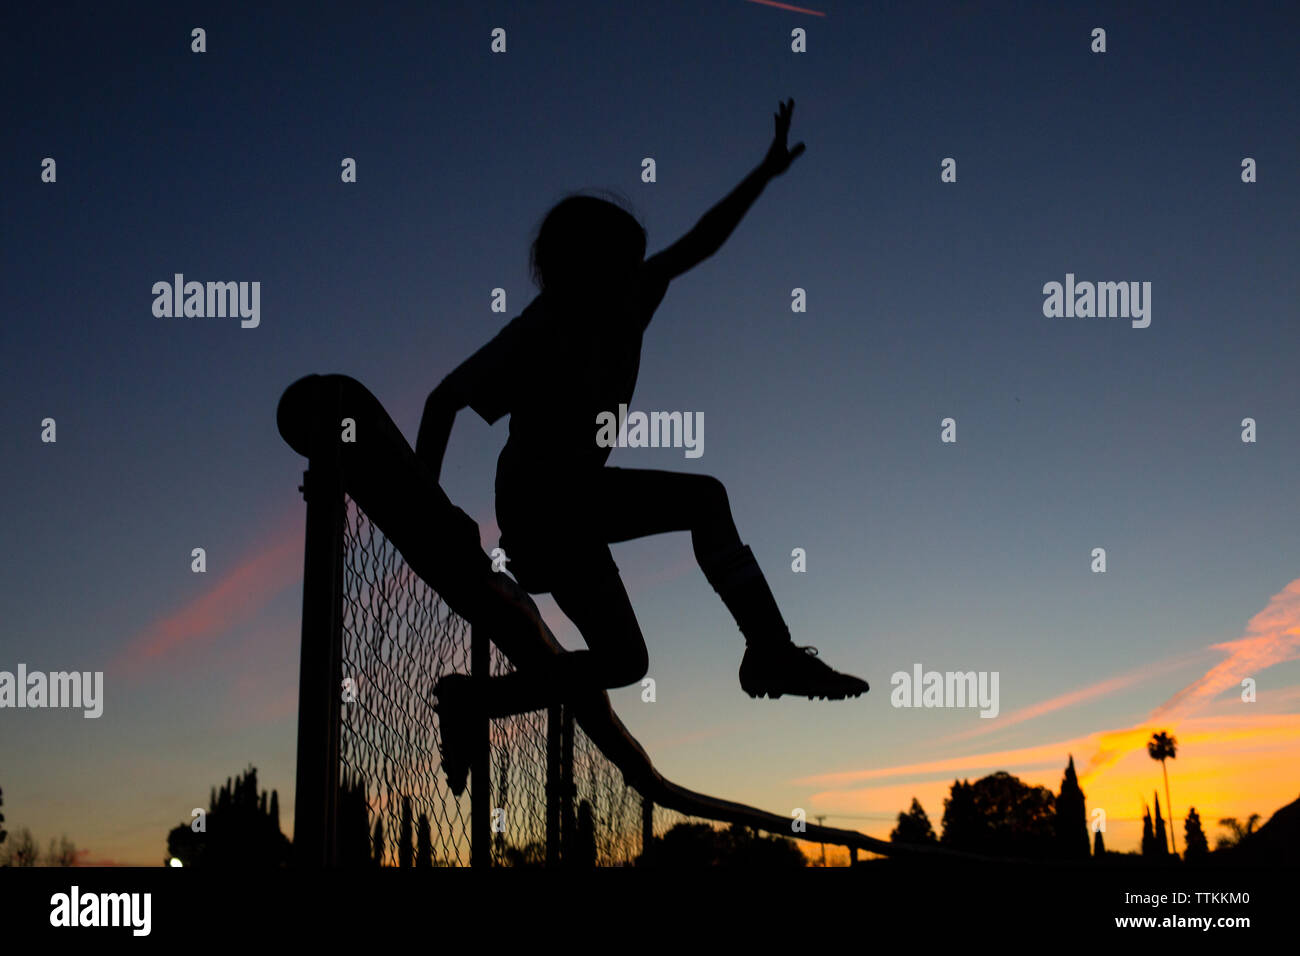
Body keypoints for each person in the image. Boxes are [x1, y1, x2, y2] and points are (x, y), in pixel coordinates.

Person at [417, 100, 868, 796]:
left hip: (573, 511)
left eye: (633, 267)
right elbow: (443, 399)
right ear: (579, 270)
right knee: (705, 498)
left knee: (625, 661)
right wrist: (425, 502)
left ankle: (476, 700)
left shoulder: (632, 297)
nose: (635, 277)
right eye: (617, 266)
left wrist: (766, 172)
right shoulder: (544, 326)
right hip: (542, 499)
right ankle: (772, 653)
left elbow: (701, 241)